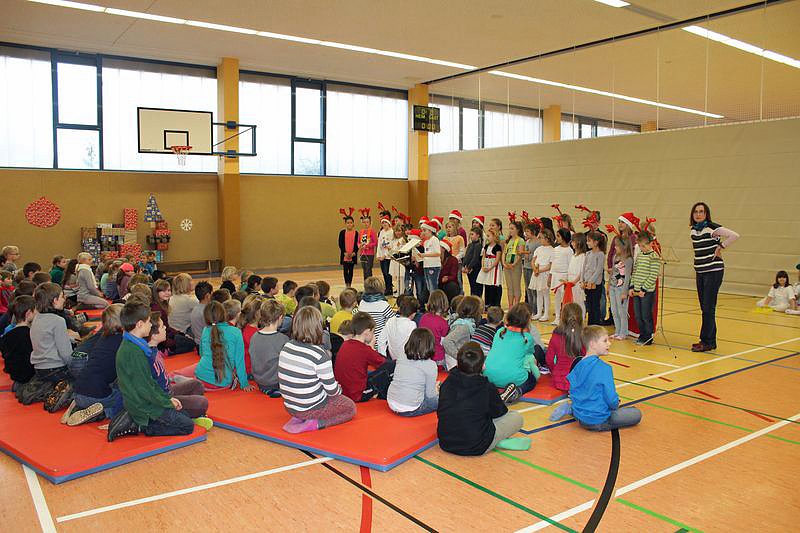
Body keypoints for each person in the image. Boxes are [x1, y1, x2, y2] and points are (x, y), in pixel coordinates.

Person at [108, 301, 195, 441]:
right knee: (187, 426)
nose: (150, 325)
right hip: (143, 405)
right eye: (149, 322)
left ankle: (146, 421)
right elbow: (145, 389)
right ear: (139, 325)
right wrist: (166, 403)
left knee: (184, 414)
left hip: (146, 399)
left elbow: (150, 383)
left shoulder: (136, 345)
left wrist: (167, 399)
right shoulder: (133, 351)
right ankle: (141, 426)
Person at [437, 341, 525, 456]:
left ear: (458, 364)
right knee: (516, 417)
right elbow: (499, 413)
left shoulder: (447, 383)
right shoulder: (486, 387)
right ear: (483, 365)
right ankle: (494, 441)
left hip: (446, 442)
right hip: (477, 445)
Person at [278, 306, 356, 433]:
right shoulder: (319, 354)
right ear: (318, 327)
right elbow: (332, 391)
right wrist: (338, 388)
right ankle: (316, 423)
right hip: (310, 408)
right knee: (350, 408)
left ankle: (300, 418)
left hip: (290, 406)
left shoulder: (287, 346)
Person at [568, 325, 642, 431]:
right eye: (605, 341)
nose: (609, 343)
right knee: (636, 413)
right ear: (592, 344)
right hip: (597, 420)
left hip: (580, 416)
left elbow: (572, 390)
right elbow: (612, 400)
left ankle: (572, 410)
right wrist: (616, 404)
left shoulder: (578, 364)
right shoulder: (604, 368)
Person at [689, 202, 739, 352]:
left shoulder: (712, 227)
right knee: (705, 307)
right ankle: (708, 340)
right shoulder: (693, 230)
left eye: (701, 212)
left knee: (708, 308)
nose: (698, 214)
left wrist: (721, 246)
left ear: (706, 214)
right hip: (700, 271)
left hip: (713, 271)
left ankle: (707, 341)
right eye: (696, 212)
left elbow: (734, 235)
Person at [67, 304, 125, 425]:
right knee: (126, 396)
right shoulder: (122, 342)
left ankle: (78, 406)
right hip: (97, 397)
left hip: (78, 391)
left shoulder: (102, 337)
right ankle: (105, 412)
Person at [483, 303, 543, 404]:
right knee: (531, 379)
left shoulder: (500, 331)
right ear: (527, 321)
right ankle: (517, 391)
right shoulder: (527, 338)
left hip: (489, 375)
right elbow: (530, 355)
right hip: (513, 378)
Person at [334, 312, 394, 402]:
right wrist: (371, 347)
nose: (374, 335)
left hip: (343, 392)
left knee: (371, 371)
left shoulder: (345, 344)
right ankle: (384, 398)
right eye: (373, 332)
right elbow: (385, 363)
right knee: (392, 367)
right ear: (367, 332)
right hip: (358, 395)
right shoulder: (364, 350)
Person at [195, 301, 254, 391]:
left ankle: (177, 378)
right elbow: (239, 361)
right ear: (224, 314)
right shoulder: (236, 332)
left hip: (201, 377)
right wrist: (244, 384)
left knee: (191, 369)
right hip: (223, 382)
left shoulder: (205, 330)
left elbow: (202, 353)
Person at [30, 282, 78, 384]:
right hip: (56, 369)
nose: (64, 299)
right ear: (55, 301)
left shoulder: (36, 318)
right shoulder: (58, 321)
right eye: (62, 297)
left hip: (39, 369)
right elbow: (66, 354)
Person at [387, 328, 439, 417]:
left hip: (391, 401)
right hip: (410, 408)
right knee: (443, 397)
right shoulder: (431, 365)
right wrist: (436, 390)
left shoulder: (401, 356)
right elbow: (430, 395)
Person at [250, 300, 289, 396]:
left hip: (259, 380)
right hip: (275, 382)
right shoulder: (283, 339)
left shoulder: (254, 336)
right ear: (280, 317)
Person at [545, 303, 586, 391]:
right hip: (580, 380)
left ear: (562, 317)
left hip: (559, 380)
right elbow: (588, 359)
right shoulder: (584, 334)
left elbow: (549, 359)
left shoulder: (557, 333)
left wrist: (554, 371)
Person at [630, 233, 660, 346]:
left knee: (646, 315)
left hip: (646, 292)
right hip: (637, 291)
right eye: (640, 246)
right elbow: (635, 272)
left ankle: (648, 337)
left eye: (643, 246)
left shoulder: (654, 257)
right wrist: (632, 286)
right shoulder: (640, 255)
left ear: (651, 244)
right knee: (638, 315)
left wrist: (644, 289)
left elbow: (653, 275)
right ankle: (642, 334)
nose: (641, 248)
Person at [0, 295, 36, 388]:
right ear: (28, 313)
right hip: (28, 376)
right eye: (35, 311)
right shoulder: (29, 334)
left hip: (15, 375)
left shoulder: (8, 334)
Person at [442, 295, 483, 370]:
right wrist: (460, 357)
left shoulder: (464, 321)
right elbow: (446, 341)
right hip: (455, 361)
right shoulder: (464, 326)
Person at [356, 277, 395, 348]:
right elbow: (393, 321)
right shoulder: (383, 304)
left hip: (365, 340)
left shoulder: (362, 302)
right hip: (380, 341)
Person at [609, 240, 633, 340]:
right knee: (614, 310)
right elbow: (613, 273)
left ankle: (624, 332)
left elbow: (627, 277)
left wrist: (624, 291)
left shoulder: (628, 260)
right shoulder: (615, 257)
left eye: (617, 246)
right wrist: (608, 285)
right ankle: (617, 331)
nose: (615, 248)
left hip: (621, 289)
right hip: (613, 286)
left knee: (622, 311)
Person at [419, 289, 449, 367]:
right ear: (444, 304)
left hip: (424, 354)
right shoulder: (443, 323)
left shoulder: (423, 317)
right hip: (438, 358)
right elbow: (444, 343)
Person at [550, 229, 574, 326]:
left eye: (558, 236)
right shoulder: (555, 249)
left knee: (564, 299)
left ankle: (565, 318)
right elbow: (553, 264)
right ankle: (557, 317)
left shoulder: (569, 251)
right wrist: (550, 276)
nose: (557, 238)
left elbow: (570, 266)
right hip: (555, 276)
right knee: (557, 298)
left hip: (564, 277)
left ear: (564, 237)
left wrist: (567, 280)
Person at [531, 229, 554, 322]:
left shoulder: (552, 250)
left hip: (544, 273)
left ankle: (546, 314)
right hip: (537, 272)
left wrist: (539, 270)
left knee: (545, 293)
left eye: (541, 238)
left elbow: (550, 265)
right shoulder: (538, 249)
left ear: (547, 238)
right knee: (538, 293)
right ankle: (539, 312)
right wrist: (535, 269)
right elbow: (533, 260)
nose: (539, 239)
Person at [583, 232, 606, 325]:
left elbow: (599, 270)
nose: (587, 243)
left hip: (595, 285)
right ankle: (590, 324)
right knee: (589, 305)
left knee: (595, 306)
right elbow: (584, 268)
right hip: (587, 284)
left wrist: (590, 281)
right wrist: (583, 280)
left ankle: (595, 325)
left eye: (589, 241)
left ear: (596, 242)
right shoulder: (588, 253)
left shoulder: (600, 254)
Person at [237, 295, 262, 376]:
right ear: (258, 313)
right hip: (250, 370)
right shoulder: (255, 333)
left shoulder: (242, 326)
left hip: (244, 367)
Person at [477, 229, 503, 307]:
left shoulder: (498, 247)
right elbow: (483, 257)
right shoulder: (486, 246)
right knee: (487, 285)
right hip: (486, 266)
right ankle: (487, 303)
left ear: (494, 237)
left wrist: (490, 268)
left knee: (494, 285)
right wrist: (483, 266)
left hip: (493, 268)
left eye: (489, 236)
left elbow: (497, 260)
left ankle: (495, 304)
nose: (487, 238)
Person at [502, 220, 525, 308]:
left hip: (515, 266)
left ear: (518, 230)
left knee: (516, 286)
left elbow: (520, 254)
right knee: (509, 287)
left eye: (512, 228)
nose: (510, 230)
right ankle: (510, 306)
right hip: (507, 266)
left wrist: (514, 264)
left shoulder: (521, 240)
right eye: (509, 228)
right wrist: (504, 263)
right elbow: (504, 252)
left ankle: (516, 306)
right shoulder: (508, 240)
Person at [564, 232, 587, 316]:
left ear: (579, 242)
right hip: (570, 282)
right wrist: (567, 280)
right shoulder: (573, 255)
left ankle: (582, 319)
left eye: (573, 241)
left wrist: (575, 281)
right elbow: (570, 268)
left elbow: (581, 271)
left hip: (577, 283)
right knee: (572, 301)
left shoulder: (583, 256)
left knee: (579, 302)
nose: (572, 243)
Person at [521, 223, 540, 315]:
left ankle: (535, 310)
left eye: (528, 231)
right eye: (525, 231)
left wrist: (528, 253)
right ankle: (530, 309)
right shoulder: (527, 242)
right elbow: (526, 254)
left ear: (533, 232)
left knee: (534, 290)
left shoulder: (538, 243)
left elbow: (538, 256)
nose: (526, 233)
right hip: (526, 266)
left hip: (533, 267)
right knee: (528, 289)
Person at [419, 219, 442, 296]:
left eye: (425, 230)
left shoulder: (434, 239)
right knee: (429, 287)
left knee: (433, 287)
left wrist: (424, 255)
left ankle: (435, 304)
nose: (423, 232)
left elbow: (437, 253)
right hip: (427, 265)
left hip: (433, 266)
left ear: (431, 230)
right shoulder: (426, 241)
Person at [462, 227, 484, 298]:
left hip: (475, 269)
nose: (471, 236)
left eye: (472, 234)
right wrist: (464, 265)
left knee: (476, 286)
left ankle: (477, 300)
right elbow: (466, 256)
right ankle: (473, 300)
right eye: (470, 234)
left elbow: (475, 258)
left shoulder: (478, 245)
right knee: (472, 285)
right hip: (469, 269)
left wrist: (469, 267)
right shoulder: (470, 245)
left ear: (478, 235)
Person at [376, 215, 395, 295]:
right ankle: (387, 288)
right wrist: (379, 255)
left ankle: (389, 288)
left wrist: (385, 255)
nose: (384, 224)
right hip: (382, 257)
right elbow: (379, 244)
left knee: (388, 273)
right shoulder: (381, 232)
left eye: (385, 223)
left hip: (388, 257)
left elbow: (392, 245)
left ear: (388, 223)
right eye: (382, 223)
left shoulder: (392, 232)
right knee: (384, 272)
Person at [358, 209, 377, 281]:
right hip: (362, 254)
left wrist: (367, 246)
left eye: (367, 222)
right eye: (364, 222)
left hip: (369, 254)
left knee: (368, 270)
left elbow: (375, 243)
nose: (366, 223)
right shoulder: (361, 232)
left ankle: (370, 285)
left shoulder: (372, 232)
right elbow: (358, 242)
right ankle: (366, 286)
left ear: (370, 223)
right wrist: (359, 245)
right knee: (364, 270)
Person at [388, 224, 407, 297]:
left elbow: (401, 250)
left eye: (399, 231)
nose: (398, 233)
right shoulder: (393, 240)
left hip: (400, 261)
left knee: (401, 277)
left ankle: (401, 292)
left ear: (402, 231)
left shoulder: (403, 240)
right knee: (397, 277)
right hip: (394, 261)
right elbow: (392, 249)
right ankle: (398, 291)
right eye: (396, 231)